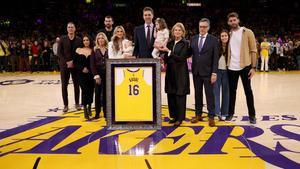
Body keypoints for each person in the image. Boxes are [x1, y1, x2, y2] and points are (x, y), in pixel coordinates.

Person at [226, 12, 257, 124]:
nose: (233, 22)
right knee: (231, 92)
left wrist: (253, 67)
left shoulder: (247, 32)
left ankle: (252, 115)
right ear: (228, 22)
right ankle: (230, 113)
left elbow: (253, 50)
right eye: (231, 20)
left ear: (238, 20)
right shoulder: (228, 34)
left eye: (234, 20)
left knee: (248, 91)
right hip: (231, 67)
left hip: (245, 66)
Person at [189, 18, 219, 127]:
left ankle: (211, 116)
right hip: (196, 71)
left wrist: (214, 73)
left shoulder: (214, 40)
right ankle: (198, 115)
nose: (202, 28)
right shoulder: (194, 38)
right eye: (201, 26)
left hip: (208, 72)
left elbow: (215, 58)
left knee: (209, 95)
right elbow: (190, 53)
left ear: (208, 27)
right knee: (197, 94)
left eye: (204, 27)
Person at [160, 22, 190, 127]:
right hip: (170, 72)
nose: (177, 32)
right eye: (175, 30)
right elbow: (167, 58)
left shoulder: (185, 43)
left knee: (180, 95)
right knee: (171, 93)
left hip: (181, 72)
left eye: (179, 30)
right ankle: (174, 116)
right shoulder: (170, 42)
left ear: (182, 32)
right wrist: (163, 55)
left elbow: (181, 58)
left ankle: (180, 118)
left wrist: (168, 51)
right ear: (172, 32)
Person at [57, 22, 82, 112]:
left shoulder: (79, 40)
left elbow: (80, 52)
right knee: (64, 85)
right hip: (64, 65)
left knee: (76, 85)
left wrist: (73, 62)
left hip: (76, 66)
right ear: (67, 29)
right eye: (69, 27)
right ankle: (66, 105)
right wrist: (67, 62)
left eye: (72, 27)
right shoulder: (62, 39)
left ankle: (77, 103)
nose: (70, 28)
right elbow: (59, 53)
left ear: (75, 29)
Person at [74, 34, 94, 120]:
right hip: (81, 74)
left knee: (91, 91)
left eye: (87, 40)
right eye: (84, 40)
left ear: (90, 41)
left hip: (91, 74)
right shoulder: (78, 50)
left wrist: (89, 69)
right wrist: (82, 68)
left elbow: (94, 63)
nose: (86, 42)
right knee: (84, 90)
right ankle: (85, 109)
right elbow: (75, 62)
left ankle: (89, 106)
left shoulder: (93, 50)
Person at [90, 32, 108, 119]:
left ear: (105, 39)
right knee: (97, 93)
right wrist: (96, 75)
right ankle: (97, 112)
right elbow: (92, 64)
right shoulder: (94, 49)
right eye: (99, 38)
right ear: (97, 40)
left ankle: (106, 112)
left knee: (106, 93)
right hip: (98, 73)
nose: (101, 40)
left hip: (107, 73)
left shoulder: (109, 49)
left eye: (102, 38)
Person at [214, 29, 230, 121]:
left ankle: (225, 112)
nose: (224, 37)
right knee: (215, 92)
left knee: (226, 92)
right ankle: (217, 112)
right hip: (218, 71)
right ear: (220, 37)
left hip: (227, 72)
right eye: (222, 36)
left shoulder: (231, 47)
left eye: (225, 35)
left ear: (228, 37)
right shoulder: (217, 46)